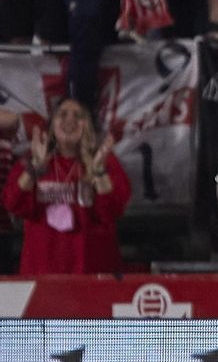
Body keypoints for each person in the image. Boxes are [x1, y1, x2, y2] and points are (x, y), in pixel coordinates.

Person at [2, 99, 128, 273]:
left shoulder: (105, 160)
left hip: (94, 272)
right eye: (62, 114)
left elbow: (114, 209)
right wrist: (33, 170)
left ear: (87, 125)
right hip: (43, 273)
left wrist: (99, 172)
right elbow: (13, 204)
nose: (70, 119)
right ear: (52, 125)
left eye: (78, 116)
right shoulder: (33, 159)